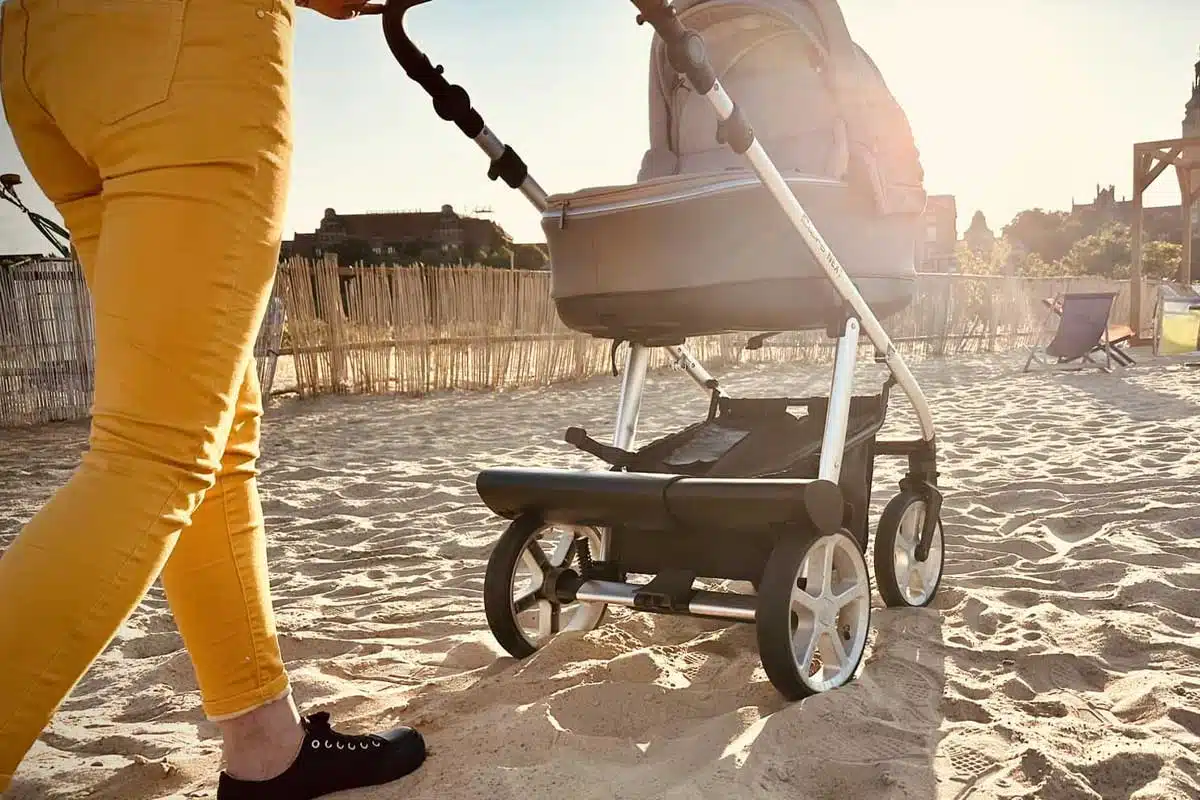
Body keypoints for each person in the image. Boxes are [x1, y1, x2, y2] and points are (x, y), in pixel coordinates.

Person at [0, 0, 427, 797]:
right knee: (149, 456)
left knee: (211, 432)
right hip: (182, 46)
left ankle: (265, 746)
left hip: (42, 54)